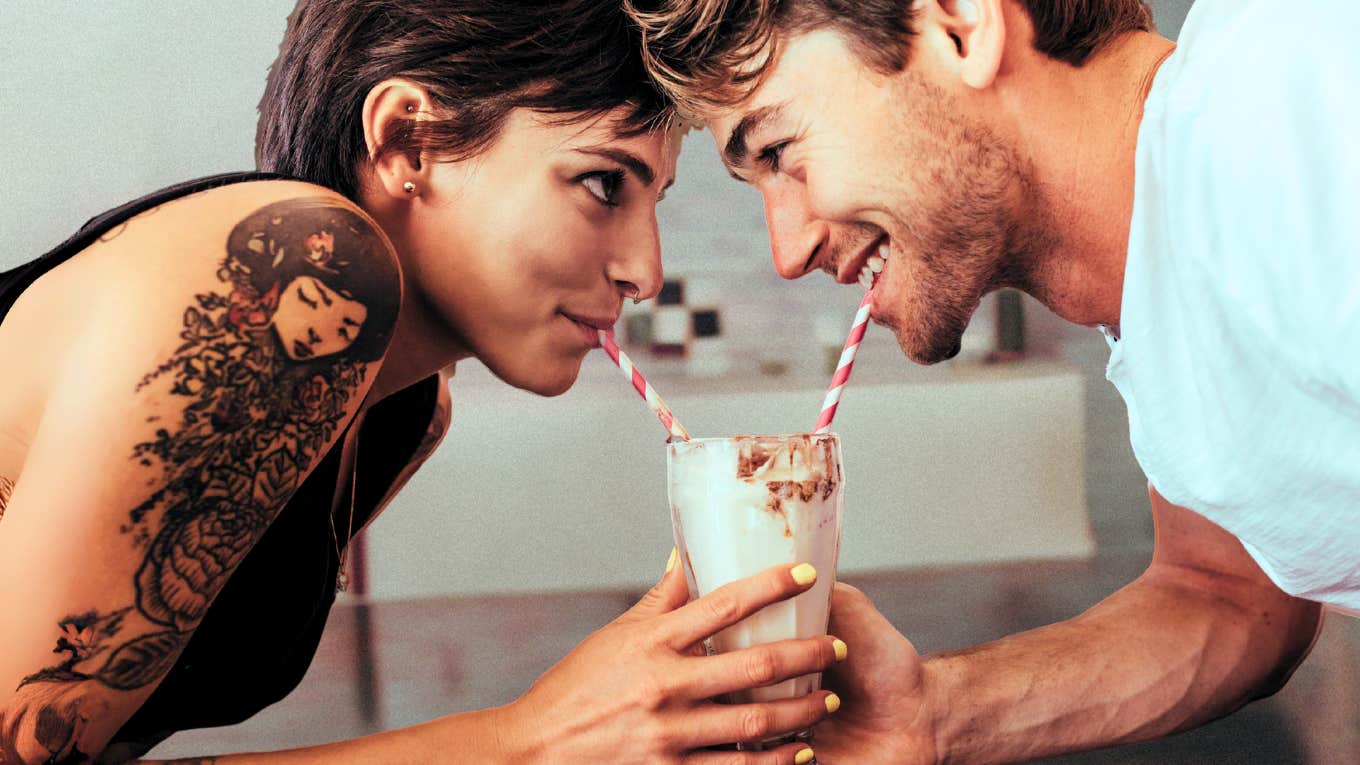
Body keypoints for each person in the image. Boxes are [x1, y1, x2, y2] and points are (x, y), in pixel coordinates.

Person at [0, 2, 846, 763]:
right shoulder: (299, 269)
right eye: (602, 183)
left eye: (653, 200)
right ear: (410, 140)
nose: (644, 271)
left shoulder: (404, 410)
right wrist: (533, 740)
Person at [625, 0, 1359, 761]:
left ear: (960, 24)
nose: (790, 246)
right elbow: (1228, 595)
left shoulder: (1293, 94)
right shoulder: (1163, 259)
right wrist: (930, 715)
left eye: (779, 150)